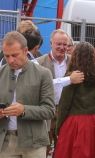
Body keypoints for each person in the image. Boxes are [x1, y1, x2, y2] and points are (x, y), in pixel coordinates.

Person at [0, 31, 55, 158]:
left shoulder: (43, 74)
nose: (10, 60)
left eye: (15, 55)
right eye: (6, 56)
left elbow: (49, 110)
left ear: (25, 50)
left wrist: (24, 110)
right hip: (5, 142)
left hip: (34, 142)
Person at [53, 42, 95, 158]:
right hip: (94, 121)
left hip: (73, 123)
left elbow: (64, 105)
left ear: (75, 57)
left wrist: (59, 127)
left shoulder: (72, 77)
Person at [36, 29, 84, 157]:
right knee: (42, 148)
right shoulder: (38, 63)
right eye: (59, 44)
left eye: (65, 45)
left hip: (67, 111)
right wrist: (68, 80)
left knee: (64, 149)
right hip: (46, 110)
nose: (62, 48)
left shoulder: (75, 62)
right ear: (51, 43)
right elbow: (41, 85)